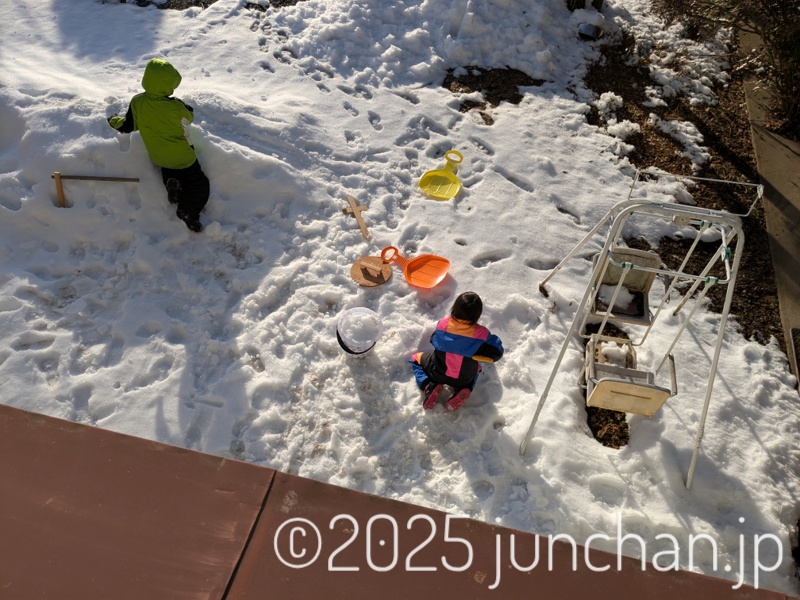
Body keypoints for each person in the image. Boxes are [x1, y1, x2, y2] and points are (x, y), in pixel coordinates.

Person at [107, 58, 209, 232]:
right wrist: (183, 105)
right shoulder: (175, 106)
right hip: (184, 156)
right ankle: (188, 211)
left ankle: (172, 182)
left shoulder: (137, 102)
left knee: (169, 171)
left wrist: (113, 120)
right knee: (199, 184)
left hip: (159, 157)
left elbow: (128, 126)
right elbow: (189, 117)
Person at [410, 292, 504, 411]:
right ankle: (465, 389)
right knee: (477, 369)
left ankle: (428, 385)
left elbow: (433, 339)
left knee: (414, 359)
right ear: (477, 315)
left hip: (438, 373)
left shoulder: (442, 325)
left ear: (455, 308)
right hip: (464, 378)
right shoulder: (482, 334)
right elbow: (497, 352)